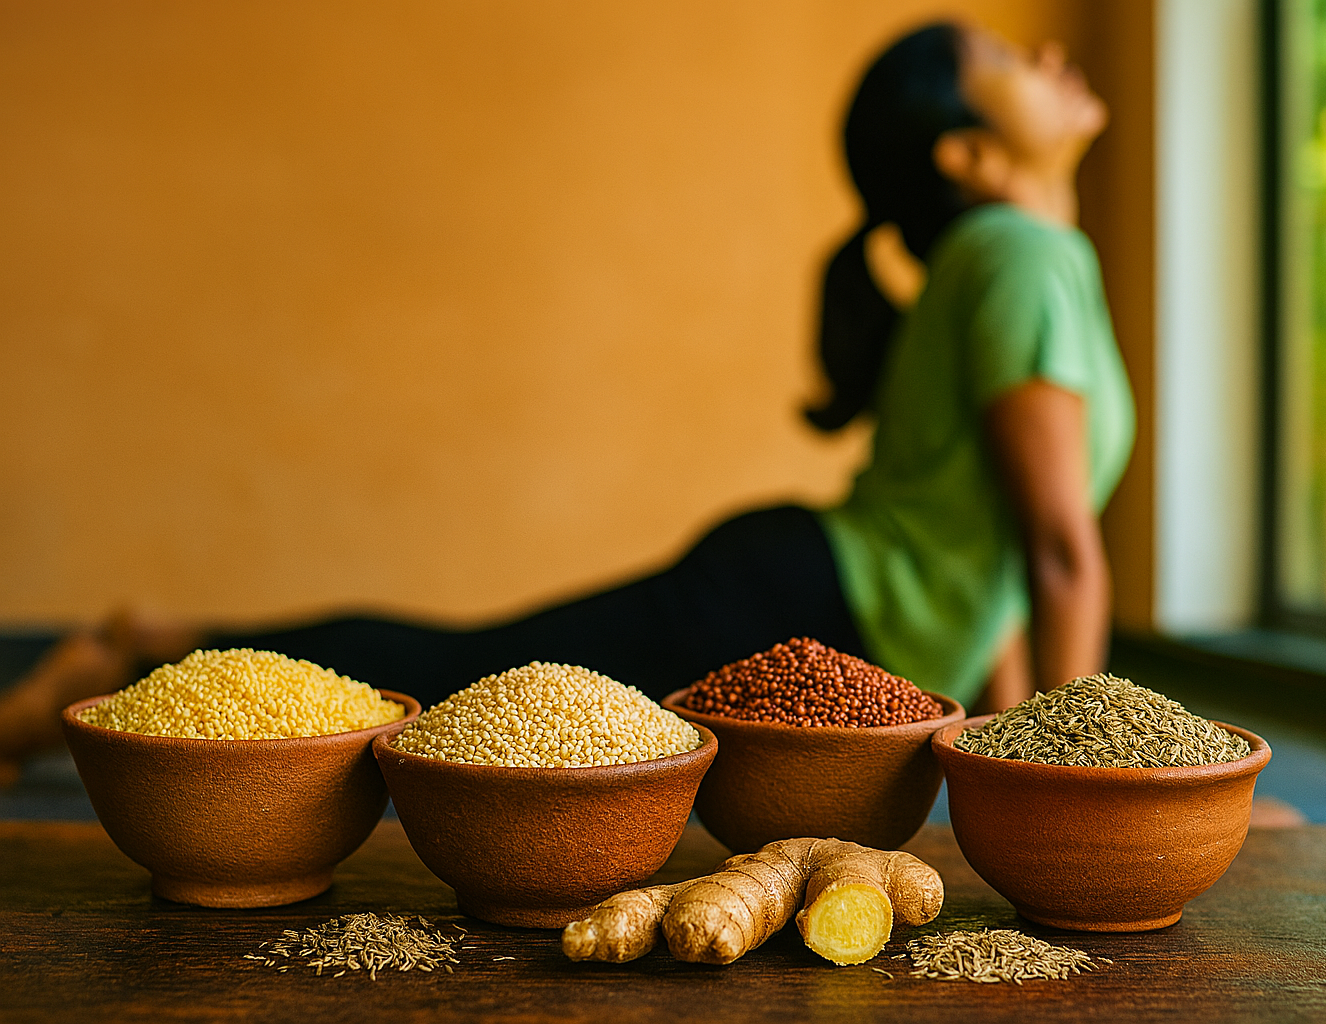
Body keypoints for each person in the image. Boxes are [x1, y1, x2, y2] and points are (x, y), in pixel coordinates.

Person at [0, 22, 1132, 780]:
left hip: (826, 598)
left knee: (465, 674)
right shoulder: (1021, 256)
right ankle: (151, 660)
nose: (1046, 52)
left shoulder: (1000, 260)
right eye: (1010, 60)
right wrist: (1086, 781)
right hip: (802, 605)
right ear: (971, 155)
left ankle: (160, 648)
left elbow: (991, 567)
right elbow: (1058, 551)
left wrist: (1013, 757)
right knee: (457, 688)